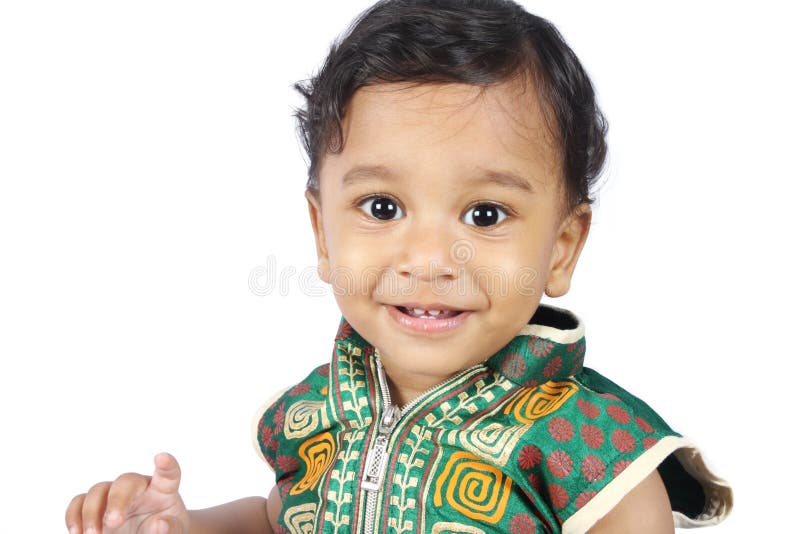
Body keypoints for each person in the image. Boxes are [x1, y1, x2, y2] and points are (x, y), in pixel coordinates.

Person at [65, 0, 734, 532]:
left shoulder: (592, 448)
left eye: (485, 215)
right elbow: (276, 523)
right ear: (322, 233)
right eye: (382, 207)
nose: (429, 260)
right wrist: (183, 527)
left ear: (562, 246)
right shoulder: (321, 409)